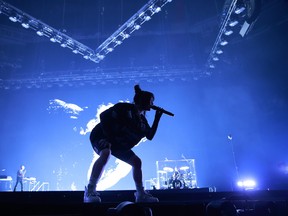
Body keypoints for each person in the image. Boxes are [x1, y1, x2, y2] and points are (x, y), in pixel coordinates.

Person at [84, 84, 164, 203]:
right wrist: (108, 138)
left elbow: (150, 135)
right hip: (101, 136)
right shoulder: (124, 108)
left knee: (137, 162)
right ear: (144, 100)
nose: (152, 104)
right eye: (151, 100)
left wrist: (157, 118)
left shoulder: (142, 120)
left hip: (118, 143)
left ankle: (140, 194)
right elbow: (104, 116)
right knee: (106, 153)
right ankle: (90, 190)